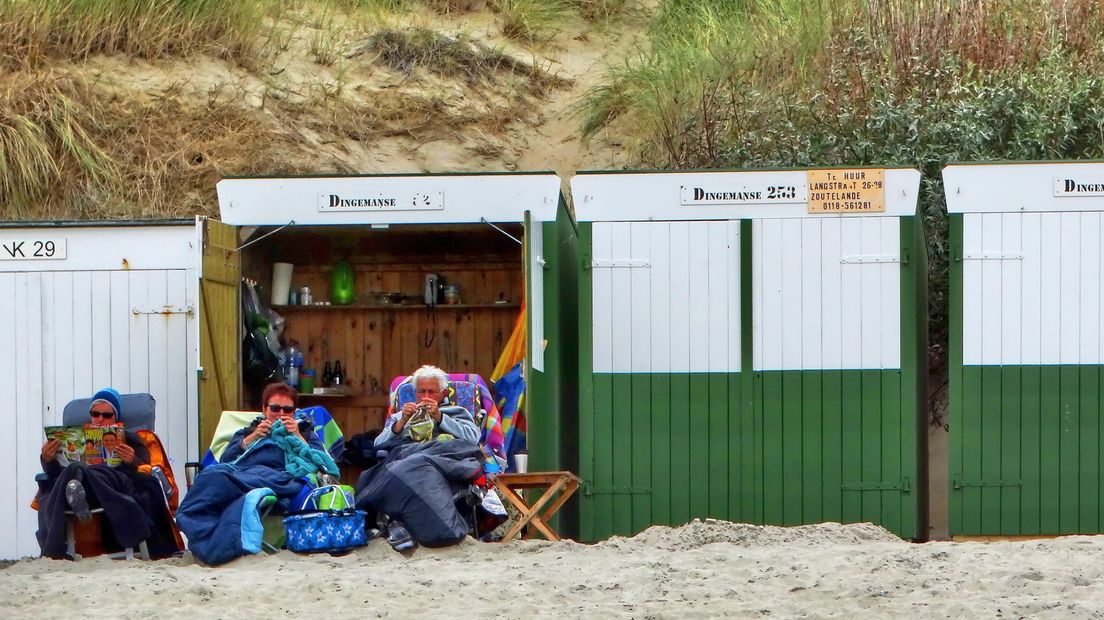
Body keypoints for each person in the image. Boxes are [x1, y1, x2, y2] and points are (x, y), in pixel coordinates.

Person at [176, 382, 338, 565]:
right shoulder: (249, 431)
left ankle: (200, 533)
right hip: (242, 473)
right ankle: (204, 536)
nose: (281, 414)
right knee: (211, 474)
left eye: (287, 410)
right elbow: (226, 459)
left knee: (217, 477)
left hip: (278, 477)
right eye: (275, 408)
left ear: (294, 412)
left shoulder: (306, 433)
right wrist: (251, 438)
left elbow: (325, 464)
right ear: (264, 409)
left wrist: (298, 437)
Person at [36, 388, 176, 559]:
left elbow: (144, 467)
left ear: (116, 417)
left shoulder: (129, 439)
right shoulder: (76, 439)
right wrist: (47, 459)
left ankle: (77, 490)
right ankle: (77, 487)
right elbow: (54, 472)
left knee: (77, 473)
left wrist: (132, 460)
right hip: (87, 486)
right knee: (68, 473)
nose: (100, 418)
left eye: (107, 415)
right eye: (95, 414)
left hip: (111, 482)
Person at [374, 365, 481, 446]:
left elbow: (473, 439)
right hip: (410, 459)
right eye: (421, 391)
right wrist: (402, 421)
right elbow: (378, 444)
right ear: (415, 393)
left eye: (431, 392)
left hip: (446, 459)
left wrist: (440, 417)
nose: (426, 396)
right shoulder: (402, 415)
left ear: (444, 393)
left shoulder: (457, 412)